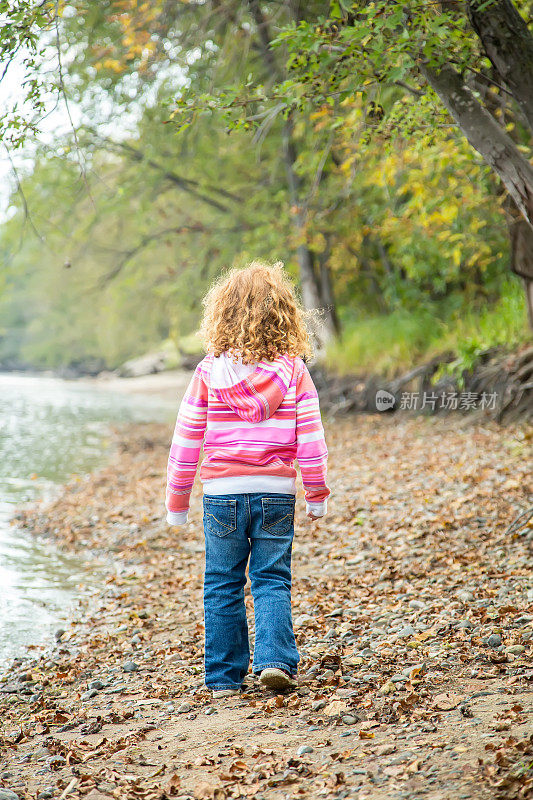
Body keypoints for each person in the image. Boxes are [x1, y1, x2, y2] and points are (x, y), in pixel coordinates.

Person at [165, 261, 330, 698]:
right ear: (283, 313)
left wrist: (176, 502)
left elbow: (186, 441)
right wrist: (316, 494)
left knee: (222, 581)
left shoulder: (208, 372)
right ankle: (274, 660)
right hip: (276, 493)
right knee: (272, 579)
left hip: (221, 494)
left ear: (223, 314)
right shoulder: (294, 372)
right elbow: (311, 440)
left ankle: (222, 677)